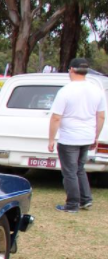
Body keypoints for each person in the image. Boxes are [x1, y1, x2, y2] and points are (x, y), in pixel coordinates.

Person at [48, 57, 106, 213]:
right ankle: (85, 199)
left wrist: (51, 139)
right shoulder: (96, 90)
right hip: (87, 136)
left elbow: (56, 117)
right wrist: (96, 136)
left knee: (69, 172)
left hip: (69, 137)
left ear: (72, 70)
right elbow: (101, 116)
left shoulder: (66, 91)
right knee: (80, 168)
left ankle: (72, 204)